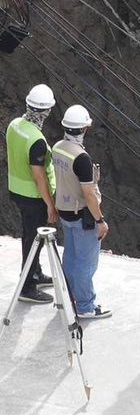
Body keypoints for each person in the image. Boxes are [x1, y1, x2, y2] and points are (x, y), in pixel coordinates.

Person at [50, 105, 110, 320]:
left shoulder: (57, 147)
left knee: (71, 257)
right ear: (84, 129)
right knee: (86, 263)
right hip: (82, 214)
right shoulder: (81, 158)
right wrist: (100, 220)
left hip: (64, 211)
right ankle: (85, 305)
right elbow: (89, 194)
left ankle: (69, 299)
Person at [8, 82, 58, 304]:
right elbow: (39, 176)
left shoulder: (15, 125)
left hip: (16, 189)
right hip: (32, 196)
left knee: (29, 234)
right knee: (33, 238)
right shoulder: (37, 140)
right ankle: (27, 286)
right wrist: (49, 204)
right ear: (46, 110)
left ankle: (35, 272)